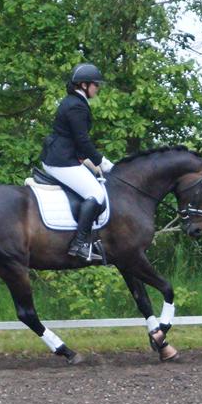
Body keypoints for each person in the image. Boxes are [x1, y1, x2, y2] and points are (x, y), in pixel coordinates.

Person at [41, 62, 115, 261]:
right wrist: (102, 162)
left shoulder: (73, 102)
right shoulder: (76, 106)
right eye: (96, 84)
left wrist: (88, 162)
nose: (97, 88)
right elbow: (82, 140)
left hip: (64, 155)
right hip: (61, 160)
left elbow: (74, 139)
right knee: (96, 194)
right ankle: (79, 244)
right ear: (84, 85)